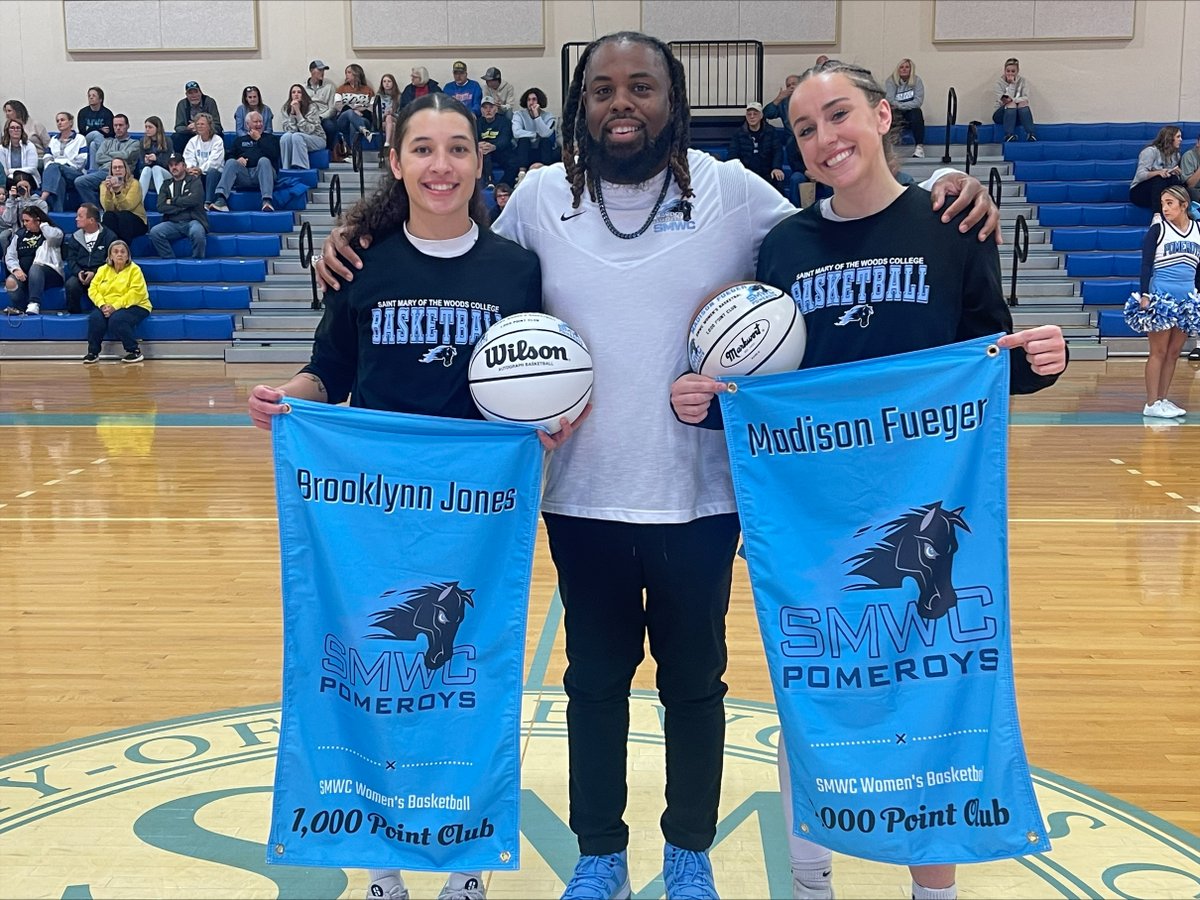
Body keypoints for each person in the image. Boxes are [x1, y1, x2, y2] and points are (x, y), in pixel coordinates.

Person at [316, 31, 999, 900]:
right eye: (602, 90)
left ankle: (689, 853)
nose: (622, 104)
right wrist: (359, 231)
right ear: (579, 108)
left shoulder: (732, 191)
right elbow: (447, 236)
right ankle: (599, 854)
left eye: (641, 87)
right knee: (593, 687)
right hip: (581, 495)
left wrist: (947, 186)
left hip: (703, 496)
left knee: (696, 687)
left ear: (673, 100)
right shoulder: (540, 198)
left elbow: (841, 217)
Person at [670, 57, 1067, 900]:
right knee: (815, 694)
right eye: (805, 128)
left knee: (933, 690)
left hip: (926, 512)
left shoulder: (951, 222)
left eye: (839, 114)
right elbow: (765, 390)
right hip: (813, 521)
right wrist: (707, 402)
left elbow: (985, 356)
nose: (824, 138)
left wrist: (1039, 359)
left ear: (884, 116)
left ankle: (934, 889)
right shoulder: (784, 247)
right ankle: (811, 882)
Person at [247, 91, 564, 900]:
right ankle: (382, 866)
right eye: (423, 149)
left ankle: (464, 863)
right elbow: (329, 372)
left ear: (480, 161)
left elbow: (543, 380)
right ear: (395, 161)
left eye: (457, 148)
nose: (441, 165)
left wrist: (554, 419)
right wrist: (286, 398)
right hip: (371, 512)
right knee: (372, 675)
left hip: (476, 518)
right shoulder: (365, 263)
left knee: (468, 679)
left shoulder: (517, 270)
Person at [1125, 186, 1198, 417]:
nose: (1165, 208)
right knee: (1158, 351)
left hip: (1187, 300)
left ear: (1184, 205)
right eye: (1163, 203)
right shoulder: (1158, 229)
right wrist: (1145, 294)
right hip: (1161, 298)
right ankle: (1151, 403)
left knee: (1174, 352)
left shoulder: (1198, 229)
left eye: (1170, 203)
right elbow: (1146, 264)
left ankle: (1163, 399)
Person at [83, 240, 151, 364]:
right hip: (106, 306)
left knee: (117, 319)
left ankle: (134, 351)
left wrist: (115, 307)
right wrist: (102, 305)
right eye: (116, 252)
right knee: (95, 318)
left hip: (136, 305)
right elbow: (93, 289)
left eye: (123, 252)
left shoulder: (135, 270)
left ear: (127, 256)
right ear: (110, 256)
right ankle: (93, 352)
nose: (119, 254)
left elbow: (136, 293)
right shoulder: (103, 269)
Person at [210, 111, 279, 212]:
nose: (259, 124)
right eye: (256, 122)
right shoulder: (240, 140)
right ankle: (221, 199)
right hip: (244, 174)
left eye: (261, 122)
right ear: (247, 124)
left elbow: (274, 155)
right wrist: (237, 159)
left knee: (264, 161)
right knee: (231, 162)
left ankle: (267, 201)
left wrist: (259, 139)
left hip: (263, 173)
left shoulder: (271, 138)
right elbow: (229, 156)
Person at [4, 205, 63, 315]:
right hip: (25, 275)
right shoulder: (20, 234)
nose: (24, 224)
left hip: (49, 273)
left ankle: (34, 303)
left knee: (35, 268)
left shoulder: (52, 232)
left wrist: (43, 225)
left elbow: (53, 237)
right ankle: (19, 308)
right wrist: (16, 269)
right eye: (23, 221)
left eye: (27, 221)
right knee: (10, 281)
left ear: (37, 220)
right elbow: (10, 255)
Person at [62, 202, 118, 314]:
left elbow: (112, 261)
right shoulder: (75, 237)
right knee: (71, 285)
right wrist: (78, 272)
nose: (76, 219)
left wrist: (95, 273)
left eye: (80, 216)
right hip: (81, 273)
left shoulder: (109, 236)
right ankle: (74, 315)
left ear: (91, 220)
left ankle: (103, 313)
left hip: (102, 274)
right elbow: (71, 259)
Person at [76, 113, 141, 207]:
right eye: (115, 125)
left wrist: (109, 153)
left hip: (122, 174)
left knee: (81, 181)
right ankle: (96, 209)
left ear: (127, 126)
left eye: (121, 125)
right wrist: (118, 156)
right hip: (104, 172)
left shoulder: (134, 143)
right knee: (80, 182)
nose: (118, 128)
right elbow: (98, 158)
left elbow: (126, 155)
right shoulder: (107, 142)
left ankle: (98, 210)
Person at [150, 154, 207, 260]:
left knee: (197, 232)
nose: (173, 167)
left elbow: (195, 200)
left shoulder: (194, 181)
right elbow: (161, 207)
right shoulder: (166, 184)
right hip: (172, 223)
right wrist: (184, 205)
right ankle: (170, 260)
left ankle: (197, 261)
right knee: (155, 232)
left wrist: (172, 201)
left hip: (192, 220)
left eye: (176, 164)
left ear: (184, 166)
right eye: (171, 165)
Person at [727, 101, 785, 191]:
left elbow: (777, 151)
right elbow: (733, 153)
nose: (752, 116)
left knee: (778, 178)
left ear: (761, 116)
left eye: (755, 114)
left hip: (767, 172)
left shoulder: (771, 131)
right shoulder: (738, 133)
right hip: (746, 173)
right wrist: (737, 171)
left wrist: (776, 167)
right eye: (749, 114)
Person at [40, 112, 89, 212]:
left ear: (70, 122)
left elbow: (81, 161)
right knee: (60, 180)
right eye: (57, 121)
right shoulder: (53, 139)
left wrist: (62, 165)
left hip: (74, 172)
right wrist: (56, 167)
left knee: (55, 166)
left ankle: (43, 197)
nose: (59, 123)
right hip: (57, 173)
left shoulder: (80, 139)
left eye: (62, 120)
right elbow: (47, 157)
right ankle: (58, 213)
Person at [1129, 126, 1184, 211]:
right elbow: (1140, 175)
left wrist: (1175, 172)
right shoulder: (1150, 151)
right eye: (1178, 137)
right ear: (1169, 138)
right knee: (1159, 179)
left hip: (1161, 191)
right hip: (1140, 192)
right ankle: (1157, 213)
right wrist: (1158, 172)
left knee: (1175, 180)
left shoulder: (1176, 155)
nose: (1181, 139)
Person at [99, 157, 147, 244]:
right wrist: (108, 192)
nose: (118, 170)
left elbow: (128, 207)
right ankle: (111, 248)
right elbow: (107, 208)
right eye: (115, 167)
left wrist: (118, 193)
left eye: (120, 167)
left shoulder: (134, 184)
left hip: (135, 221)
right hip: (116, 220)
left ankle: (124, 247)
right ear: (111, 171)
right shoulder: (104, 185)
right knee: (108, 215)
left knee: (124, 215)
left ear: (126, 169)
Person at [885, 58, 926, 157]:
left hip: (910, 113)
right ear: (898, 69)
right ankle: (888, 149)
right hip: (896, 113)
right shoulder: (891, 81)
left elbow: (918, 101)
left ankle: (919, 148)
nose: (904, 69)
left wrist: (901, 105)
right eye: (901, 67)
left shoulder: (917, 81)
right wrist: (900, 106)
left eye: (907, 67)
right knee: (887, 113)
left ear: (911, 69)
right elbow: (890, 99)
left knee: (917, 112)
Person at [511, 87, 558, 174]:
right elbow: (516, 133)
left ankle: (546, 173)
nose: (531, 102)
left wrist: (537, 116)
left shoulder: (548, 116)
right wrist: (535, 134)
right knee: (523, 140)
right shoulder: (518, 115)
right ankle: (522, 174)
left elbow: (546, 134)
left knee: (545, 141)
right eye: (528, 100)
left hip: (542, 151)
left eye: (534, 99)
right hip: (525, 151)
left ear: (539, 101)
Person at [332, 64, 375, 158]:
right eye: (346, 73)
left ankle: (353, 154)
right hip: (343, 119)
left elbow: (372, 107)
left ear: (356, 74)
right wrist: (354, 111)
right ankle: (364, 130)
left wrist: (359, 111)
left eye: (349, 72)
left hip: (363, 118)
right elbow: (337, 105)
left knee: (353, 124)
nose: (346, 75)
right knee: (350, 113)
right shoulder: (341, 89)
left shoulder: (368, 90)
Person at [279, 84, 326, 170]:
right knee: (285, 137)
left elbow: (308, 130)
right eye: (293, 92)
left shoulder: (312, 107)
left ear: (303, 94)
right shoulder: (285, 108)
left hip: (317, 138)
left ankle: (302, 169)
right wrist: (292, 113)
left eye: (299, 92)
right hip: (297, 138)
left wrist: (298, 113)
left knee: (297, 136)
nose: (296, 94)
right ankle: (286, 169)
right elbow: (289, 130)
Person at [183, 112, 225, 204]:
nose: (199, 126)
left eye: (202, 124)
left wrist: (201, 169)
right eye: (197, 124)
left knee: (212, 171)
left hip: (214, 175)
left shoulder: (217, 140)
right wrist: (191, 168)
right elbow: (188, 157)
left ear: (209, 126)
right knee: (189, 174)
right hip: (197, 174)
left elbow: (215, 162)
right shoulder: (193, 141)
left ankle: (208, 202)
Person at [992, 58, 1037, 143]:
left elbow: (1026, 98)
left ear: (1017, 71)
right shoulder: (998, 83)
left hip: (1018, 114)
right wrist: (1012, 84)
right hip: (1002, 114)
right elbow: (1005, 101)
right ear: (1004, 71)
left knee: (1023, 103)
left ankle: (1031, 134)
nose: (1010, 74)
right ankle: (1009, 135)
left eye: (1013, 71)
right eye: (1008, 71)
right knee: (1011, 104)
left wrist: (1014, 100)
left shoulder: (1023, 81)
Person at [173, 81, 223, 155]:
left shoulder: (209, 102)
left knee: (219, 135)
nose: (194, 95)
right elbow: (178, 127)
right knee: (176, 137)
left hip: (207, 134)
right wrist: (188, 128)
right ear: (186, 95)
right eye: (190, 93)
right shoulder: (182, 104)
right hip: (189, 133)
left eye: (196, 92)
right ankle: (180, 159)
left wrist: (202, 126)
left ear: (200, 92)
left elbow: (218, 126)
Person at [0, 172, 46, 251]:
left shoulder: (40, 203)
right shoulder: (13, 202)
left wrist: (26, 201)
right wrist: (11, 200)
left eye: (26, 187)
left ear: (30, 187)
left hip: (35, 237)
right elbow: (8, 220)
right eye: (20, 187)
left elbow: (40, 220)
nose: (23, 189)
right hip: (17, 237)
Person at [477, 96, 515, 186]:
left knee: (513, 162)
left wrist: (494, 146)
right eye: (485, 108)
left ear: (496, 109)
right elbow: (473, 138)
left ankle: (504, 185)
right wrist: (478, 144)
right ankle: (489, 182)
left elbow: (505, 139)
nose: (488, 110)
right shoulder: (477, 123)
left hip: (500, 150)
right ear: (481, 110)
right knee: (483, 154)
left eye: (491, 107)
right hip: (484, 151)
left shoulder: (504, 121)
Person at [304, 60, 338, 151]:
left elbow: (332, 108)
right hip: (309, 117)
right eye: (319, 70)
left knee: (330, 126)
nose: (322, 73)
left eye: (323, 70)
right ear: (311, 71)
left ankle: (329, 150)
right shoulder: (303, 88)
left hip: (324, 116)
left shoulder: (329, 87)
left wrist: (320, 117)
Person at [2, 119, 41, 188]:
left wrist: (12, 171)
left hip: (28, 177)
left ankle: (23, 193)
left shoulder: (29, 146)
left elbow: (32, 168)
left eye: (18, 128)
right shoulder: (2, 148)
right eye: (12, 128)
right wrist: (11, 174)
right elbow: (4, 171)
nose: (15, 130)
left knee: (20, 176)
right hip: (9, 178)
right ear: (8, 130)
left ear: (22, 130)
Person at [139, 116, 171, 197]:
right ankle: (139, 201)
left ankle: (161, 199)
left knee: (156, 168)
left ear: (157, 128)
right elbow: (141, 163)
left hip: (165, 173)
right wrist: (147, 162)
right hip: (149, 173)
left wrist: (156, 159)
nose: (147, 129)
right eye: (146, 127)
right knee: (146, 169)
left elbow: (168, 163)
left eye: (150, 127)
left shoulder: (167, 141)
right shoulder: (143, 141)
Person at [77, 86, 114, 156]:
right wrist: (100, 129)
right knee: (96, 134)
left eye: (94, 95)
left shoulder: (107, 113)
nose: (91, 97)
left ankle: (96, 163)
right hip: (86, 139)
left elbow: (110, 133)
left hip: (105, 139)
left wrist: (90, 128)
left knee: (93, 145)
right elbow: (82, 131)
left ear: (100, 99)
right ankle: (106, 156)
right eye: (89, 96)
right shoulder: (83, 112)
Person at [377, 73, 402, 146]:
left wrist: (392, 113)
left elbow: (401, 113)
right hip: (382, 122)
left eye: (389, 81)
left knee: (389, 118)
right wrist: (384, 115)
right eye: (384, 81)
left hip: (395, 119)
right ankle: (392, 149)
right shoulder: (378, 97)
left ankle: (387, 143)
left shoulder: (398, 97)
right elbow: (376, 114)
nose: (386, 83)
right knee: (392, 125)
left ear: (393, 83)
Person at [1181, 133, 1200, 204]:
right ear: (1198, 143)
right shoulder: (1188, 156)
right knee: (1191, 191)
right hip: (1195, 190)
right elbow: (1191, 184)